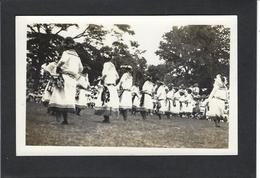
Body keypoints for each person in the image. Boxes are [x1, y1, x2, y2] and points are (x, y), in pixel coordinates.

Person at [48, 37, 83, 124]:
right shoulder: (77, 56)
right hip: (73, 79)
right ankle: (65, 120)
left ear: (66, 45)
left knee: (59, 97)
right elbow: (81, 69)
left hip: (65, 77)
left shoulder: (66, 53)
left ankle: (59, 120)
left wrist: (58, 68)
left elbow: (62, 61)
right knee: (67, 99)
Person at [94, 57, 119, 123]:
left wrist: (101, 79)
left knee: (104, 100)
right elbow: (117, 77)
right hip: (113, 86)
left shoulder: (106, 64)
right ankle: (107, 118)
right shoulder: (113, 65)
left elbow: (104, 74)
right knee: (109, 102)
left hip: (107, 85)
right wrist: (113, 80)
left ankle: (106, 118)